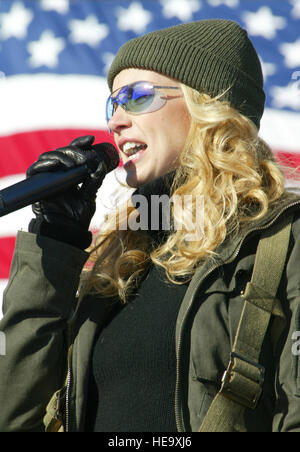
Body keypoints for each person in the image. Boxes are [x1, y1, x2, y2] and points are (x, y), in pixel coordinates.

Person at [1, 19, 300, 433]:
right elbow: (13, 416)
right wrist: (54, 244)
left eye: (137, 97)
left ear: (208, 106)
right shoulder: (117, 261)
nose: (116, 121)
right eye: (113, 105)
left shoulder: (284, 240)